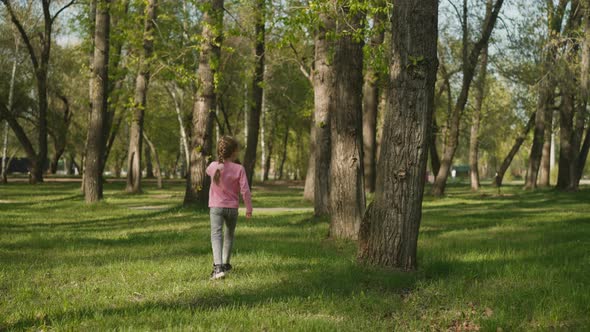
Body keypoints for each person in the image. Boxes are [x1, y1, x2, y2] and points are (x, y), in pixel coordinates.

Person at [206, 136, 253, 280]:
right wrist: (248, 208)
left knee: (216, 235)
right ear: (234, 152)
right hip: (232, 208)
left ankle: (218, 267)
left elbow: (208, 171)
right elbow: (245, 190)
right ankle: (225, 264)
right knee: (229, 235)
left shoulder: (213, 166)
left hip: (216, 207)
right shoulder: (239, 169)